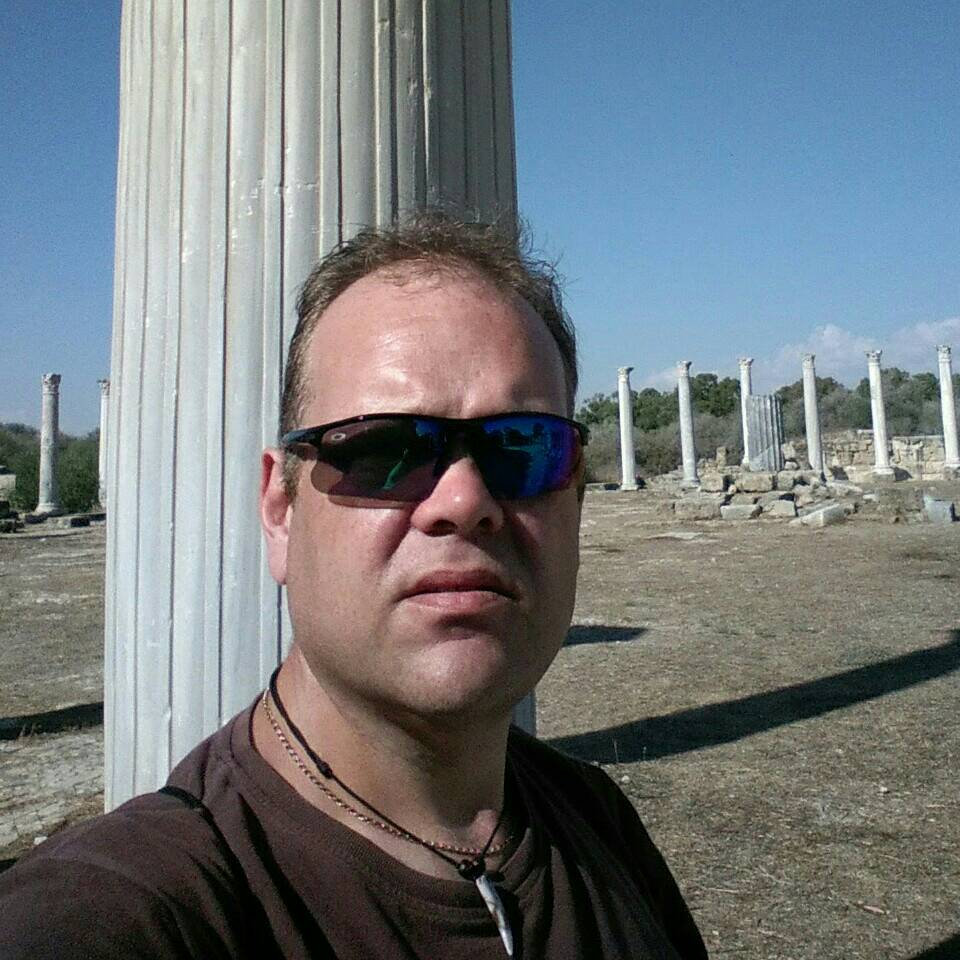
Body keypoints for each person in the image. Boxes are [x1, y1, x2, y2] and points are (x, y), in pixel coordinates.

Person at [0, 214, 707, 959]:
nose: (465, 500)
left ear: (577, 500)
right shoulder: (130, 913)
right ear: (280, 511)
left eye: (522, 448)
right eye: (384, 449)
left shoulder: (601, 826)